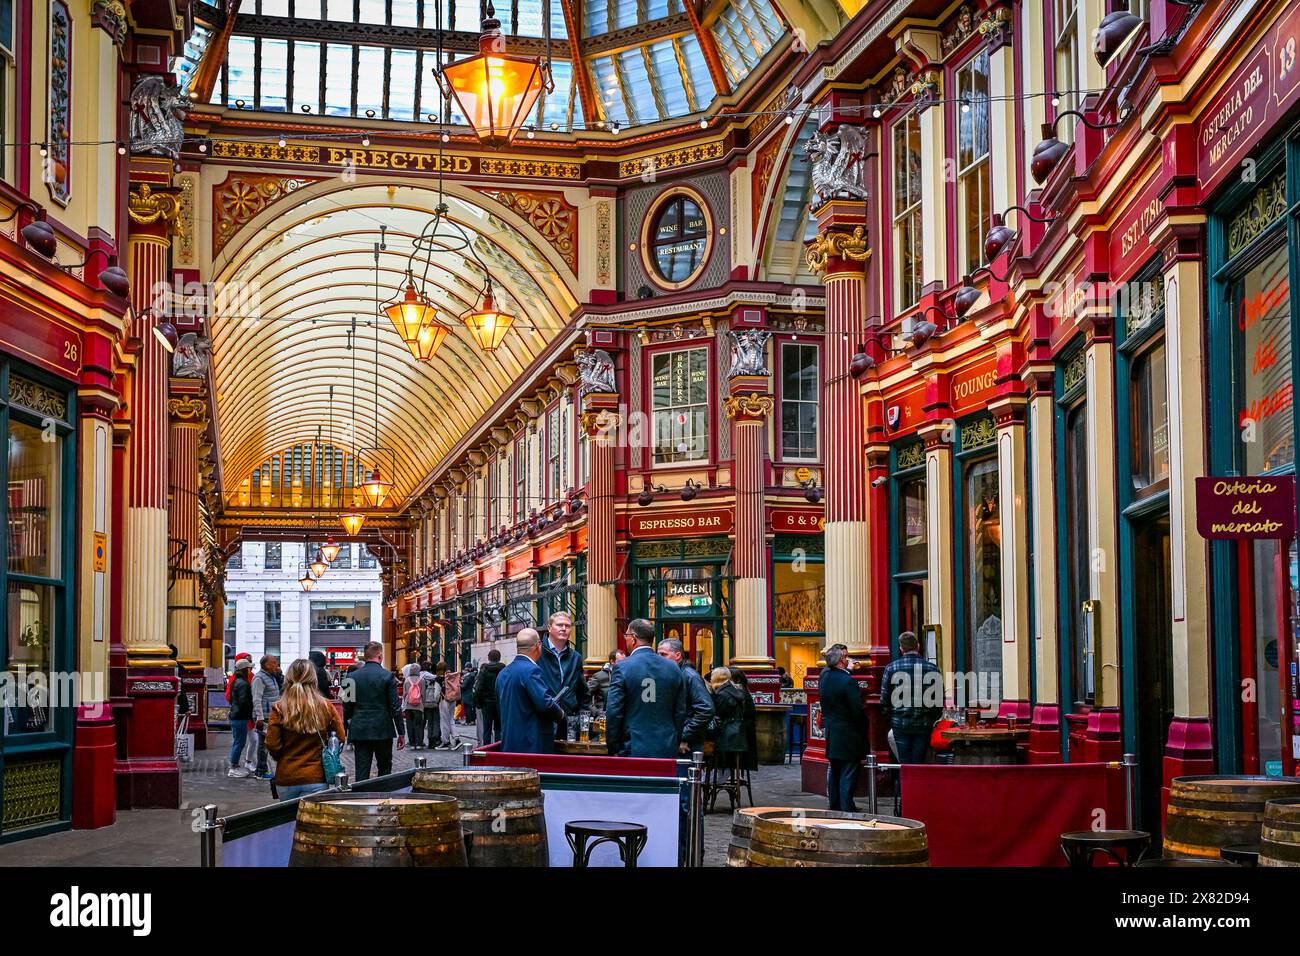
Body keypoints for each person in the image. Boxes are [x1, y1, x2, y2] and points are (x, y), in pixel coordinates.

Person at [265, 659, 347, 801]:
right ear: (313, 678)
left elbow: (272, 743)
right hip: (316, 776)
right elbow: (340, 736)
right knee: (312, 821)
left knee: (289, 821)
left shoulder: (279, 707)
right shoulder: (325, 705)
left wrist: (282, 757)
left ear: (289, 678)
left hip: (287, 775)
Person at [605, 619, 686, 758]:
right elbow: (680, 711)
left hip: (633, 745)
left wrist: (613, 747)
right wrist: (676, 740)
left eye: (627, 636)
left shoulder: (622, 667)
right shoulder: (673, 667)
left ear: (634, 638)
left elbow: (614, 710)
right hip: (666, 744)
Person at [495, 629, 565, 754]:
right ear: (538, 646)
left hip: (509, 743)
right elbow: (545, 704)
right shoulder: (532, 670)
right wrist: (561, 714)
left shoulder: (503, 673)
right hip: (532, 744)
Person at [343, 641, 405, 780]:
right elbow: (395, 707)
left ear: (365, 656)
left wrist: (345, 728)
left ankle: (361, 797)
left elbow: (346, 705)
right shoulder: (388, 676)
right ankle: (382, 796)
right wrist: (401, 732)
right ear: (380, 655)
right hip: (383, 728)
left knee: (362, 768)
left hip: (360, 728)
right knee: (384, 767)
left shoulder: (351, 677)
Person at [879, 630, 943, 764]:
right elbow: (938, 702)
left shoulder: (891, 668)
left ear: (901, 649)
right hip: (924, 724)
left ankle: (905, 784)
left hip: (900, 723)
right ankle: (917, 784)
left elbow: (884, 700)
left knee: (904, 762)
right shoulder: (932, 669)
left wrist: (892, 718)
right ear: (918, 646)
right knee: (919, 761)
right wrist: (931, 718)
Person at [820, 645, 869, 812]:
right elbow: (857, 709)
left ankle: (835, 805)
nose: (848, 660)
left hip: (832, 732)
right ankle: (846, 808)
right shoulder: (848, 681)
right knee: (849, 771)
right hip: (849, 733)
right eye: (846, 657)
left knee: (835, 770)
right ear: (841, 660)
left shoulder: (825, 677)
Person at [537, 612, 589, 740]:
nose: (564, 629)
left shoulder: (575, 657)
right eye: (559, 625)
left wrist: (582, 716)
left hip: (569, 722)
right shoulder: (537, 653)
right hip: (544, 721)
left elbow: (582, 690)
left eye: (568, 625)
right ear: (549, 628)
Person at [657, 639, 713, 753]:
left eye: (663, 654)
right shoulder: (675, 674)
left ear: (677, 655)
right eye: (658, 654)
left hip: (688, 743)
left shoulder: (689, 676)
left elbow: (706, 709)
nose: (659, 658)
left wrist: (683, 735)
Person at [708, 668, 749, 768]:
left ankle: (712, 772)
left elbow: (719, 714)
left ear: (716, 678)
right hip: (737, 733)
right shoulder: (733, 690)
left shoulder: (722, 694)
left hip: (728, 735)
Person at [251, 655, 282, 780]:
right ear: (266, 665)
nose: (276, 664)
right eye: (274, 662)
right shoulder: (259, 678)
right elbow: (257, 699)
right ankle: (261, 770)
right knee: (263, 744)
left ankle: (263, 768)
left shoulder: (272, 676)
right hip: (264, 716)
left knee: (268, 742)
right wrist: (259, 716)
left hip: (272, 714)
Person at [227, 658, 254, 778]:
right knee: (239, 742)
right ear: (245, 669)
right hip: (240, 717)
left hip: (236, 715)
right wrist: (250, 714)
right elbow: (244, 702)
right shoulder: (243, 683)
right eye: (249, 668)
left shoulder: (236, 681)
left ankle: (234, 766)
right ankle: (234, 767)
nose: (250, 670)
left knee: (237, 742)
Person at [729, 666, 759, 772]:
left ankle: (722, 772)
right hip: (743, 734)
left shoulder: (740, 694)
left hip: (741, 736)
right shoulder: (742, 692)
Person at [475, 649, 506, 745]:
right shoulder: (504, 670)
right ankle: (499, 748)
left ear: (489, 658)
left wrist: (478, 702)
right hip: (500, 702)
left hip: (487, 702)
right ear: (499, 658)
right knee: (499, 728)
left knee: (487, 728)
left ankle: (487, 748)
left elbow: (478, 688)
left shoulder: (484, 670)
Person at [586, 650, 625, 715]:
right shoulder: (599, 676)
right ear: (612, 661)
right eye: (621, 662)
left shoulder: (626, 675)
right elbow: (584, 696)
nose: (624, 664)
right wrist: (597, 712)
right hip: (604, 717)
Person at [401, 662, 427, 751]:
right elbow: (423, 694)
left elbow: (404, 694)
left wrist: (404, 704)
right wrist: (423, 705)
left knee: (409, 725)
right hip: (418, 706)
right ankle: (419, 743)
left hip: (408, 706)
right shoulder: (422, 680)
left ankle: (412, 743)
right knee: (418, 724)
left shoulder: (407, 680)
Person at [419, 659, 442, 748]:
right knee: (434, 720)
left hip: (422, 701)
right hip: (431, 701)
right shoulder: (430, 676)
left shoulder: (419, 675)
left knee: (423, 722)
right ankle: (434, 740)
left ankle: (420, 740)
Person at [435, 662, 458, 750]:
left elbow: (437, 692)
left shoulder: (438, 679)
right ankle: (456, 738)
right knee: (451, 719)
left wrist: (436, 700)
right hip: (452, 699)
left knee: (444, 721)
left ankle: (445, 741)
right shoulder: (451, 676)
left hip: (444, 700)